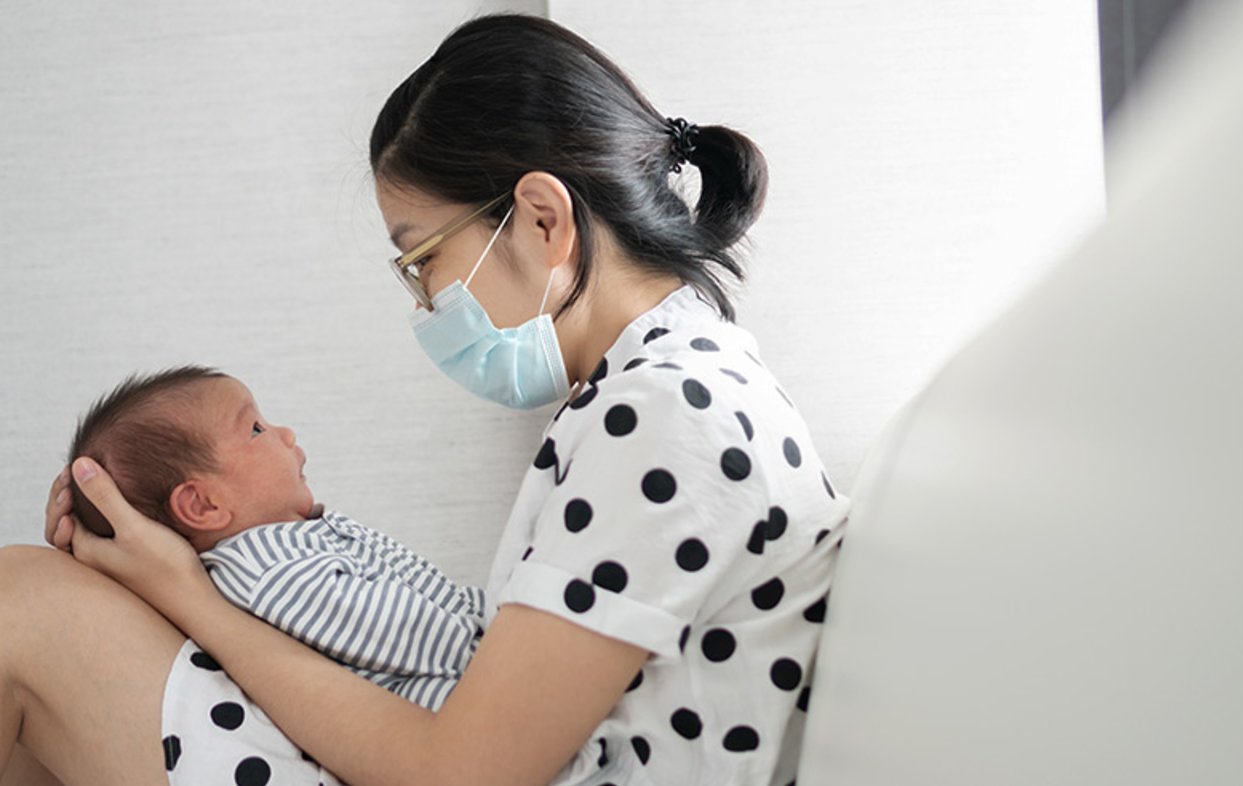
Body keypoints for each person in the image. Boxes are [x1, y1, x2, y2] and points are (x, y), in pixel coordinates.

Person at [2, 13, 848, 786]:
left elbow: (460, 774)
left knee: (19, 606)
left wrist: (187, 595)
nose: (424, 302)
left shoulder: (668, 413)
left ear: (542, 220)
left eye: (423, 259)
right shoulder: (662, 387)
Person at [67, 365, 484, 727]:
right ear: (203, 504)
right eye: (255, 429)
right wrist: (506, 640)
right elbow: (416, 639)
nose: (285, 434)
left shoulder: (291, 542)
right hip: (453, 702)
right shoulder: (267, 571)